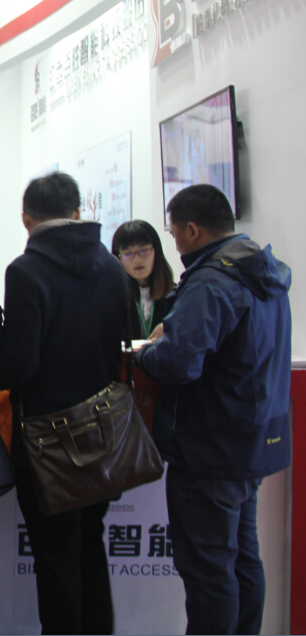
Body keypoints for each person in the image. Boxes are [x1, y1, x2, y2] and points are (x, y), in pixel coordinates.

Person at [136, 185, 292, 635]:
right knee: (242, 560)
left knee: (208, 571)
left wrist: (148, 351)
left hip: (210, 446)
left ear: (192, 229)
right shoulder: (260, 270)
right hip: (251, 440)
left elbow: (177, 363)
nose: (175, 245)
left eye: (173, 235)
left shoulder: (211, 282)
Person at [0, 171, 128, 635]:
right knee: (91, 544)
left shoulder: (25, 271)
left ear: (26, 219)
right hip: (104, 432)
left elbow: (19, 363)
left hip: (47, 442)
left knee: (55, 558)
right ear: (77, 212)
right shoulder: (112, 267)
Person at [111, 219, 176, 341]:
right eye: (128, 253)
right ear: (117, 258)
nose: (137, 260)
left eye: (144, 250)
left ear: (156, 251)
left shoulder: (175, 293)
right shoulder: (113, 295)